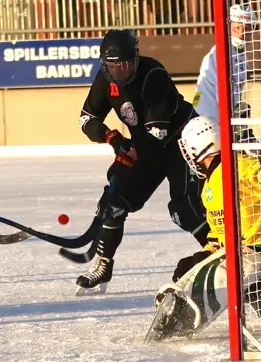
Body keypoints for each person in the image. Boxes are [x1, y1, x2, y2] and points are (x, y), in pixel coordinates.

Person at [148, 116, 261, 340]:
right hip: (249, 251)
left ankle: (189, 311)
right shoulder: (209, 184)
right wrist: (204, 255)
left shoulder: (240, 166)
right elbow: (220, 231)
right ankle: (182, 306)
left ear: (198, 148)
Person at [75, 29, 210, 296]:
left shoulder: (153, 75)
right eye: (112, 66)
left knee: (185, 209)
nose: (119, 72)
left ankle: (223, 253)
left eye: (124, 65)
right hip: (143, 145)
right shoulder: (105, 79)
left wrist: (128, 155)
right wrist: (113, 139)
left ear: (135, 59)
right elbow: (86, 119)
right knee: (114, 201)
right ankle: (104, 263)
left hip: (179, 142)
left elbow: (158, 133)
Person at [192, 4, 257, 144]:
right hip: (209, 123)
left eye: (246, 29)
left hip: (221, 119)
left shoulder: (241, 55)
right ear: (228, 27)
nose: (241, 34)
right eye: (236, 28)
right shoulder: (221, 52)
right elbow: (220, 92)